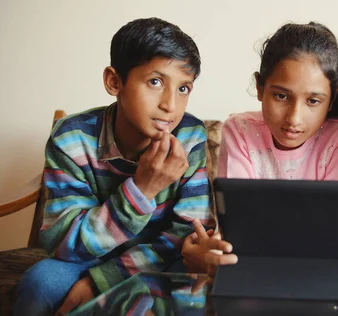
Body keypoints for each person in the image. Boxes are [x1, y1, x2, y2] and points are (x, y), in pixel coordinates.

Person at [15, 17, 211, 315]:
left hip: (158, 259)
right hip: (84, 258)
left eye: (183, 88)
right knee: (42, 282)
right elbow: (64, 243)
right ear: (114, 81)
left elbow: (184, 235)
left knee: (191, 290)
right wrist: (143, 189)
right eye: (155, 82)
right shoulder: (72, 138)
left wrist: (102, 282)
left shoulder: (190, 137)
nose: (170, 105)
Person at [182, 22, 338, 273]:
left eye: (313, 101)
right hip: (251, 268)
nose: (294, 118)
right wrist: (213, 253)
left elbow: (332, 229)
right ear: (259, 87)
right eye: (281, 96)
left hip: (316, 271)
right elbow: (237, 224)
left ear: (332, 97)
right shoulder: (240, 130)